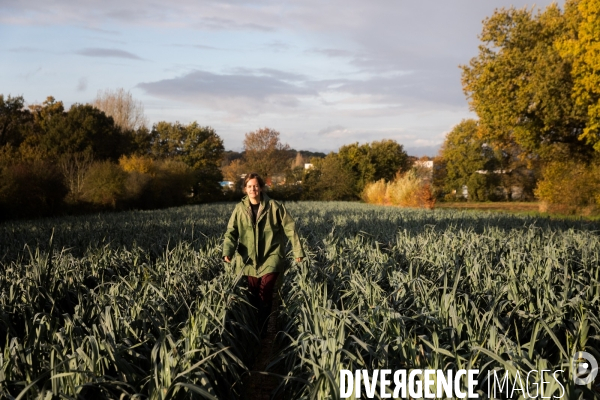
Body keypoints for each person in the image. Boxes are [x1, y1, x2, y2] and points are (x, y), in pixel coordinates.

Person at [223, 172, 305, 336]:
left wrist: (298, 251)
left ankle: (264, 329)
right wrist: (228, 251)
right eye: (249, 186)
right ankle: (254, 331)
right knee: (253, 295)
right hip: (249, 260)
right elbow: (231, 232)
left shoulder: (274, 207)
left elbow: (290, 228)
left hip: (271, 256)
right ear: (245, 189)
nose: (253, 189)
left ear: (260, 188)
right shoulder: (239, 209)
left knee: (265, 291)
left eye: (255, 185)